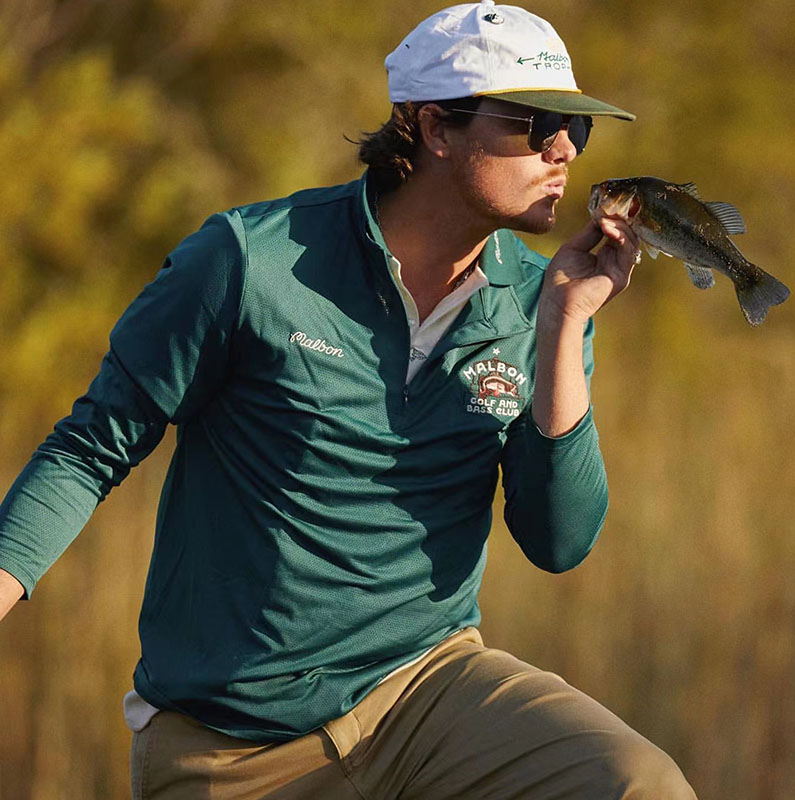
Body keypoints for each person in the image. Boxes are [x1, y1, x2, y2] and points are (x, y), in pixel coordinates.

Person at [0, 2, 698, 797]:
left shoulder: (542, 302)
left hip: (426, 695)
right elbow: (88, 450)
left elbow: (559, 541)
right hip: (233, 749)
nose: (564, 149)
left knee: (638, 783)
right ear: (436, 128)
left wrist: (566, 324)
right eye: (537, 123)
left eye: (577, 128)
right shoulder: (248, 262)